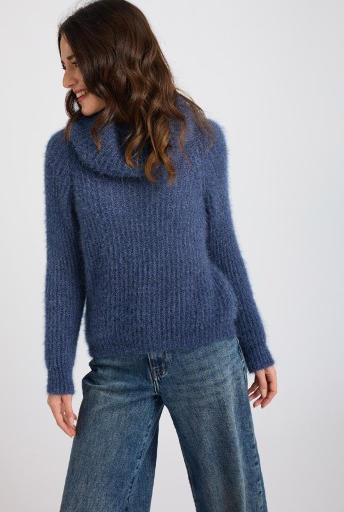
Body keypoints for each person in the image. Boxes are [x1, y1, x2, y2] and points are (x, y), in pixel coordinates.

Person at [43, 1, 278, 510]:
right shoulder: (63, 156)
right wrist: (58, 370)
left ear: (114, 56)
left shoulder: (202, 139)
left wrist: (256, 346)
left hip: (207, 354)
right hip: (117, 368)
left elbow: (222, 246)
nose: (67, 80)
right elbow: (64, 269)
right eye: (63, 65)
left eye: (76, 63)